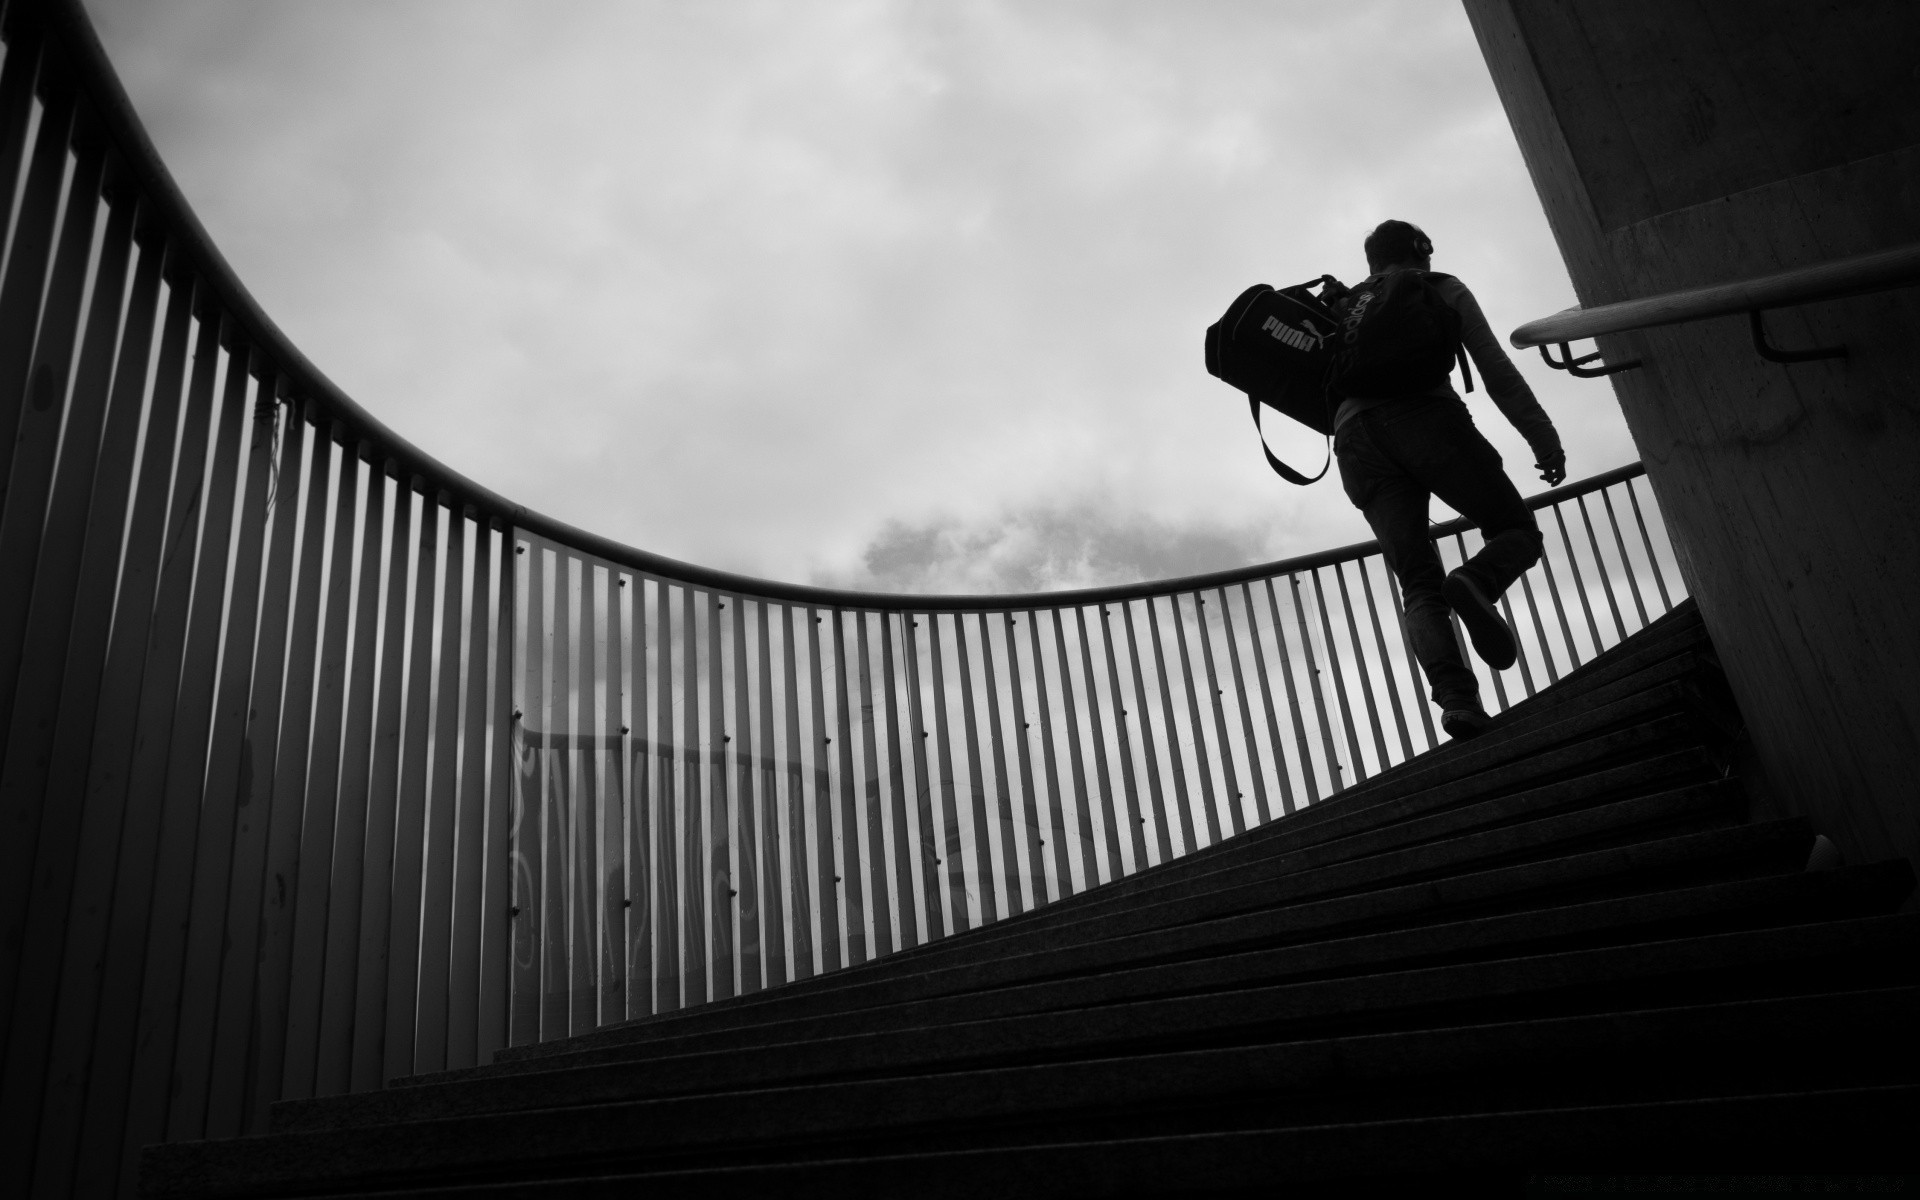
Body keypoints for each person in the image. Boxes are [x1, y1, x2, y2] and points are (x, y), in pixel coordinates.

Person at [1332, 219, 1565, 740]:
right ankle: (1476, 580)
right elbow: (1494, 369)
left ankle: (1458, 702)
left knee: (1417, 582)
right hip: (1424, 418)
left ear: (1372, 262)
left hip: (1353, 441)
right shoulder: (1438, 288)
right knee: (1516, 530)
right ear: (1421, 254)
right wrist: (1542, 438)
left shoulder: (1346, 308)